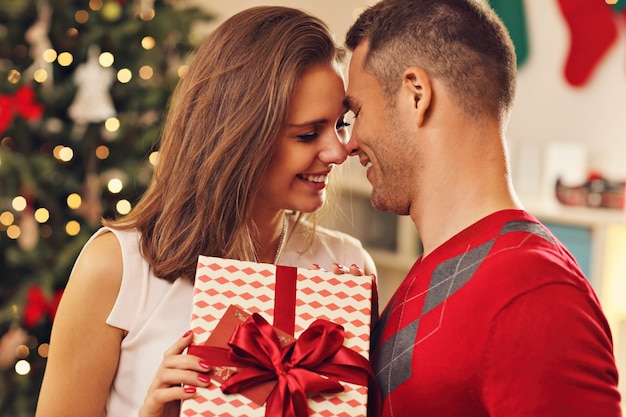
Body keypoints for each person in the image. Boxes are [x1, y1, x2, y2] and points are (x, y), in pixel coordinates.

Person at [35, 6, 376, 417]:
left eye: (340, 124)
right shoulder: (117, 268)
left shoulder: (348, 269)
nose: (339, 152)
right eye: (307, 134)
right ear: (241, 137)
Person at [342, 0, 622, 416]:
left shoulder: (536, 293)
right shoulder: (430, 270)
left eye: (358, 112)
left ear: (415, 94)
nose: (348, 144)